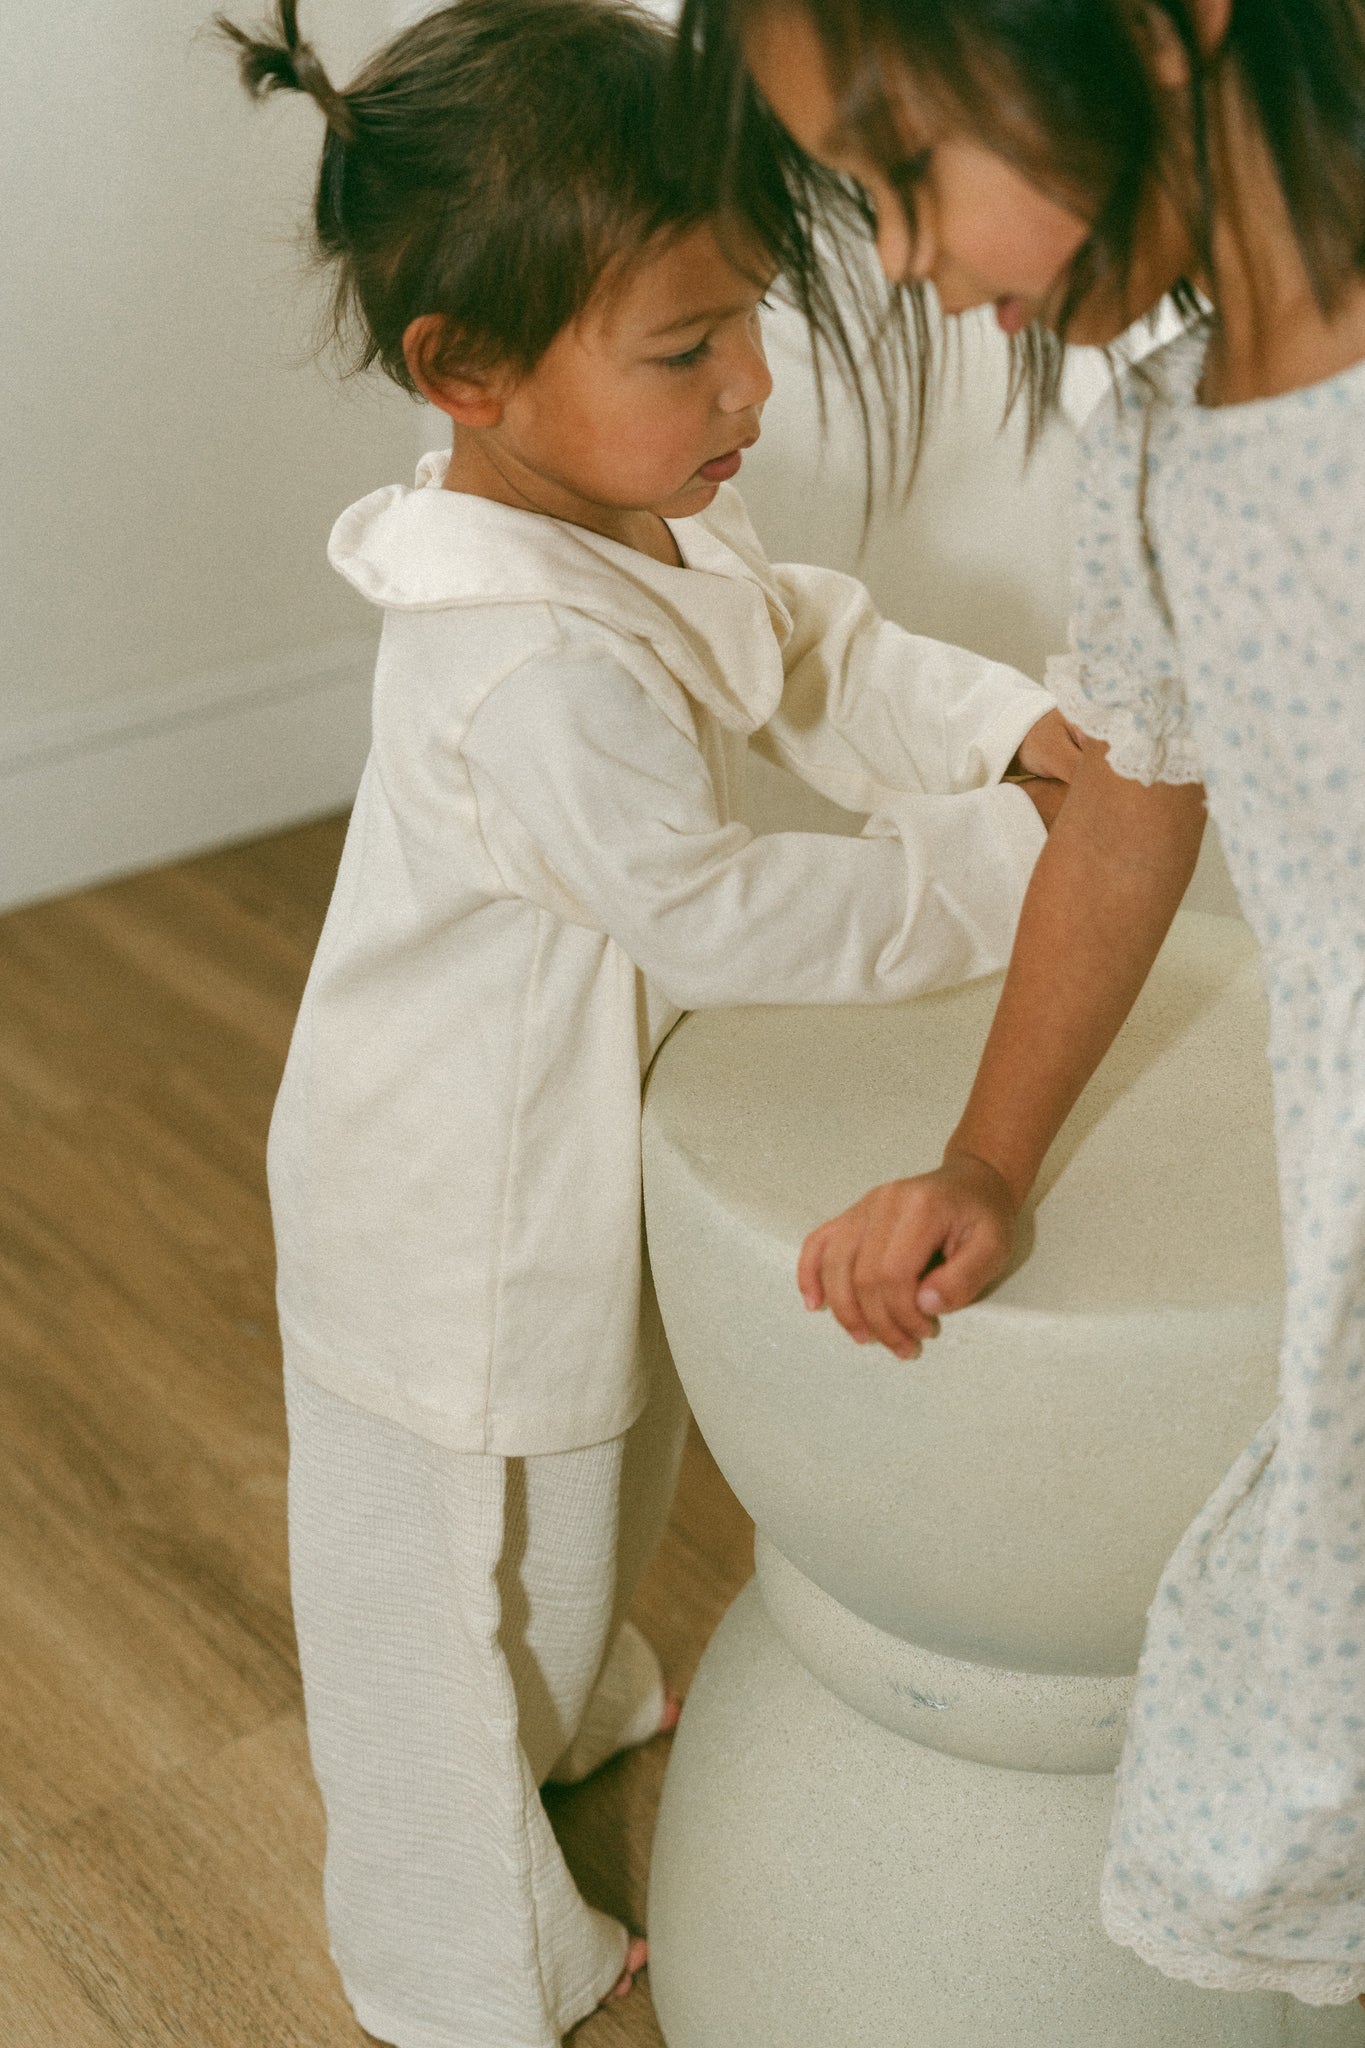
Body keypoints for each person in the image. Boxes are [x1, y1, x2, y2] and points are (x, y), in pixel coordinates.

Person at [218, 2, 1076, 2041]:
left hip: (572, 1140)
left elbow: (807, 648)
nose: (751, 389)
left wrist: (1011, 732)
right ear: (468, 377)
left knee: (593, 1485)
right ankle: (455, 1957)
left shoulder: (641, 507)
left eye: (748, 322)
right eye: (686, 352)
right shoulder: (516, 665)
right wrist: (1001, 867)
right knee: (435, 1596)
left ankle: (578, 1699)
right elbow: (712, 906)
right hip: (434, 1203)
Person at [682, 0, 1365, 2008]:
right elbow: (1132, 795)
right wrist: (987, 1150)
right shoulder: (1157, 453)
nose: (895, 257)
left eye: (901, 171)